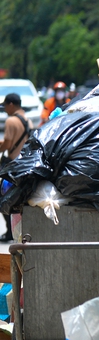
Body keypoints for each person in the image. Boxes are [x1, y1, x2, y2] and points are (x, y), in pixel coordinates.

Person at [1, 93, 32, 241]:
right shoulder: (27, 120)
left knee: (5, 198)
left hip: (12, 166)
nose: (5, 109)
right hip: (24, 165)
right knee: (20, 201)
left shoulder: (11, 121)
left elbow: (7, 144)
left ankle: (9, 232)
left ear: (11, 104)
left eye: (5, 106)